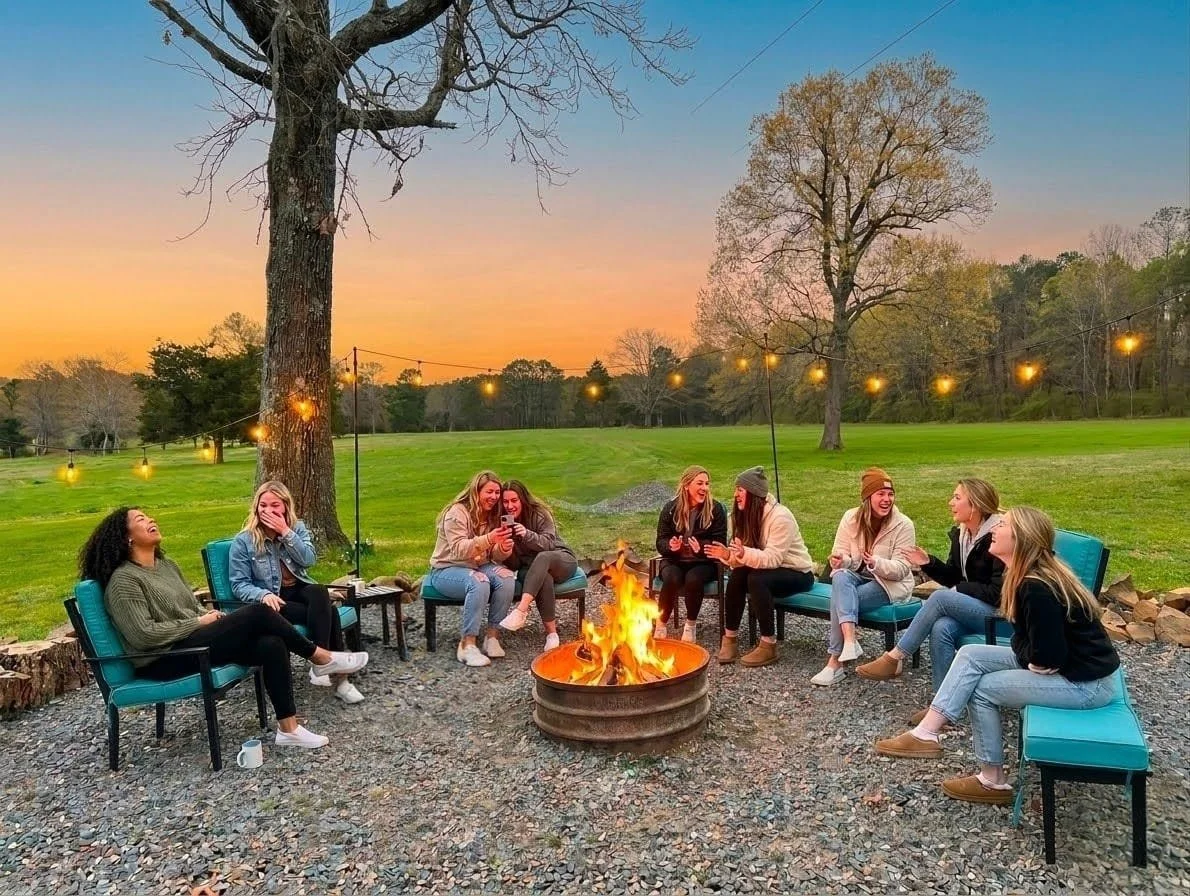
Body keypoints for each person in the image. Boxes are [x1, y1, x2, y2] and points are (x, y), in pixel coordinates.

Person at [874, 507, 1121, 805]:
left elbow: (1046, 657)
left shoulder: (1036, 587)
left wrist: (1027, 652)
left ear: (1020, 539)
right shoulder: (1026, 576)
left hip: (1086, 683)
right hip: (1070, 667)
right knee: (970, 654)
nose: (993, 529)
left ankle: (992, 781)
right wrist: (1027, 651)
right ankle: (926, 733)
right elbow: (1030, 645)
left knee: (983, 689)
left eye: (1002, 525)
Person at [80, 507, 369, 750]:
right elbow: (143, 635)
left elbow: (188, 608)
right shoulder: (123, 582)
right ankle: (320, 657)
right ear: (126, 537)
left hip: (191, 642)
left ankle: (288, 729)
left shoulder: (167, 565)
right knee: (257, 612)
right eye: (140, 520)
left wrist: (208, 616)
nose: (150, 520)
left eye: (149, 516)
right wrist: (197, 622)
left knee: (271, 643)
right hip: (162, 659)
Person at [857, 478, 1006, 705]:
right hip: (975, 608)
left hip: (1001, 614)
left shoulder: (1000, 536)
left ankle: (896, 656)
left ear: (974, 505)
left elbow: (998, 593)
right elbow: (955, 577)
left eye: (957, 498)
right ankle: (942, 704)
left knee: (939, 597)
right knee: (941, 627)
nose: (950, 502)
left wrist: (958, 590)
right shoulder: (963, 534)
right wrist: (928, 563)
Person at [229, 480, 364, 704]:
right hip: (273, 599)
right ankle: (341, 681)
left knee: (319, 592)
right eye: (263, 505)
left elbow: (308, 560)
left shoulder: (296, 528)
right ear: (255, 508)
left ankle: (319, 663)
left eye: (275, 505)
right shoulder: (244, 541)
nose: (268, 511)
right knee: (329, 611)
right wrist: (262, 595)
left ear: (285, 506)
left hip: (298, 588)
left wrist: (285, 532)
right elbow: (239, 584)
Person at [812, 468, 915, 686]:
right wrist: (841, 560)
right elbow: (841, 552)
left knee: (841, 600)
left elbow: (902, 568)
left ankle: (835, 662)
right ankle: (850, 641)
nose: (887, 499)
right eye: (881, 494)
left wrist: (876, 563)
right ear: (868, 498)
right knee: (839, 576)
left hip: (888, 584)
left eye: (890, 494)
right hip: (857, 577)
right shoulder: (851, 518)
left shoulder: (903, 524)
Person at [705, 466, 815, 667]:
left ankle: (768, 644)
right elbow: (743, 557)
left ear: (753, 492)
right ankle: (729, 638)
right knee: (738, 575)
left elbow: (772, 559)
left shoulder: (780, 517)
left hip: (797, 572)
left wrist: (743, 553)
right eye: (736, 489)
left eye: (740, 489)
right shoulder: (741, 516)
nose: (735, 494)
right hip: (767, 568)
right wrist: (729, 555)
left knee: (756, 579)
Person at [426, 470, 516, 667]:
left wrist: (502, 549)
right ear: (476, 491)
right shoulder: (456, 513)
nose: (494, 497)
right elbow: (459, 550)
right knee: (479, 582)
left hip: (478, 566)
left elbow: (492, 555)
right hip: (447, 570)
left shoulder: (492, 515)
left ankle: (492, 636)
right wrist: (490, 538)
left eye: (497, 492)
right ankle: (467, 644)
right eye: (489, 492)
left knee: (507, 577)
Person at [497, 480, 579, 652]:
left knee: (542, 558)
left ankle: (521, 610)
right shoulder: (503, 523)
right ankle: (552, 635)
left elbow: (549, 544)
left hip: (560, 559)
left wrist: (527, 535)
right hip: (533, 570)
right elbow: (515, 565)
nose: (510, 506)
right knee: (544, 578)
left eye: (514, 500)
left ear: (523, 500)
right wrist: (506, 549)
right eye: (505, 502)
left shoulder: (539, 514)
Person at [652, 465, 728, 643]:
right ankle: (661, 623)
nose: (704, 488)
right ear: (687, 485)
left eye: (707, 483)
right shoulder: (671, 508)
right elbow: (660, 540)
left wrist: (700, 548)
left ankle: (690, 625)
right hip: (675, 560)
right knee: (672, 577)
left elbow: (720, 543)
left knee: (693, 578)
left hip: (703, 562)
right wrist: (671, 546)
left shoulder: (715, 510)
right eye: (699, 483)